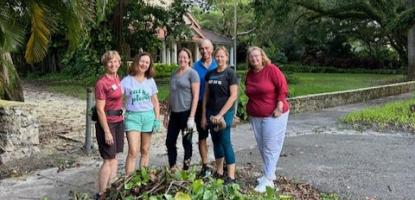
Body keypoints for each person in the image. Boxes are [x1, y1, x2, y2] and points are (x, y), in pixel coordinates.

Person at [245, 46, 289, 193]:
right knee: (263, 147)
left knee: (270, 147)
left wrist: (279, 106)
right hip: (256, 116)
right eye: (252, 57)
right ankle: (268, 174)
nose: (254, 59)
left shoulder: (271, 69)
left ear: (262, 56)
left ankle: (269, 180)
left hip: (274, 114)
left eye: (257, 56)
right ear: (249, 59)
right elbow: (250, 92)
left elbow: (282, 88)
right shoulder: (250, 74)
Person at [201, 46, 238, 184]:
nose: (220, 58)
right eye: (217, 56)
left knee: (225, 140)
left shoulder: (230, 73)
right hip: (211, 112)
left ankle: (231, 176)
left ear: (226, 57)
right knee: (216, 141)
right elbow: (206, 95)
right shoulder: (210, 74)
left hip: (225, 113)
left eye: (222, 56)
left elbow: (233, 96)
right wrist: (204, 114)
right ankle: (219, 171)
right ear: (214, 57)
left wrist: (221, 114)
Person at [121, 52, 160, 176]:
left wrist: (157, 119)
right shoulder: (126, 81)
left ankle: (142, 179)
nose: (144, 64)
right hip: (132, 118)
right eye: (142, 61)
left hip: (148, 117)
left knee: (145, 150)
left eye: (147, 62)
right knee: (133, 151)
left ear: (149, 65)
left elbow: (155, 101)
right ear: (137, 61)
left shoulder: (150, 81)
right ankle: (128, 181)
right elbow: (119, 99)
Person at [94, 50, 124, 199]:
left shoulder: (118, 78)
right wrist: (106, 131)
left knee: (115, 157)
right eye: (110, 61)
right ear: (106, 64)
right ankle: (101, 194)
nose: (113, 64)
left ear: (119, 63)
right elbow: (99, 110)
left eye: (116, 61)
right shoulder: (102, 83)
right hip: (107, 124)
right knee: (108, 159)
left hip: (119, 122)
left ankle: (111, 190)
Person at [164, 48, 200, 170]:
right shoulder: (174, 73)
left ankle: (186, 168)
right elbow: (171, 94)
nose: (182, 59)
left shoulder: (192, 74)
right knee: (170, 141)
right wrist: (166, 114)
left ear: (189, 59)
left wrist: (192, 117)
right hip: (174, 114)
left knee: (187, 142)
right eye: (180, 57)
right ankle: (172, 166)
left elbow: (195, 96)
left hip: (186, 114)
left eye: (185, 57)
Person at [193, 39, 217, 176]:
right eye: (202, 48)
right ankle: (205, 165)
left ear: (212, 48)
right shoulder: (195, 67)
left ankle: (221, 164)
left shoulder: (217, 63)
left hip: (216, 106)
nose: (204, 51)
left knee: (218, 136)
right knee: (202, 136)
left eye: (207, 48)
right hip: (200, 105)